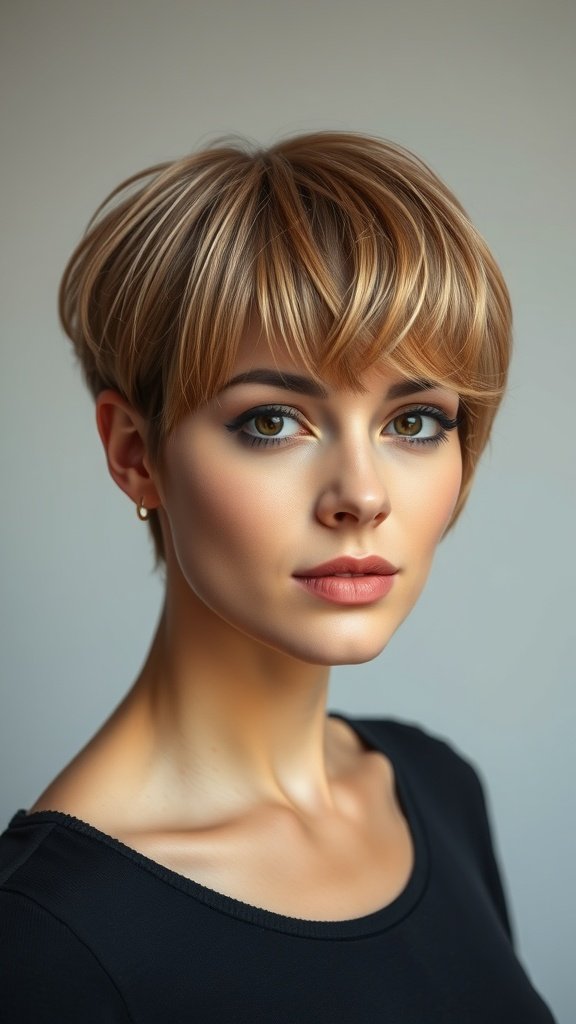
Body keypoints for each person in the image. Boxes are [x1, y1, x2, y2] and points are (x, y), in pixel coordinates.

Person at [0, 132, 555, 1022]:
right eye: (271, 422)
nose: (362, 496)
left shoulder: (437, 789)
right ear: (135, 455)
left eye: (414, 421)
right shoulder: (45, 945)